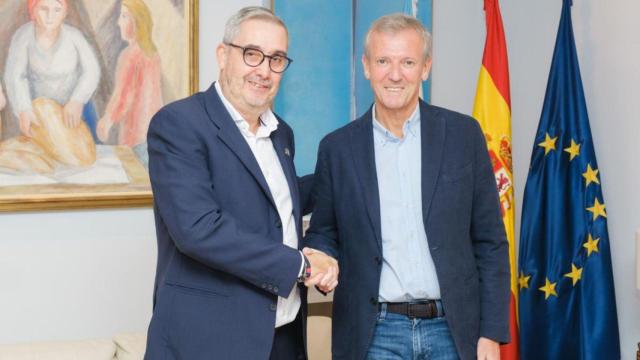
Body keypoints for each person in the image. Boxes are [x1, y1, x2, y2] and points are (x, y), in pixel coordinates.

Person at [304, 13, 510, 360]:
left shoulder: (463, 136)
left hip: (454, 331)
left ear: (425, 68)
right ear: (366, 66)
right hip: (374, 334)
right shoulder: (337, 148)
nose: (395, 74)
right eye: (383, 61)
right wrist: (320, 256)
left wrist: (490, 332)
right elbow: (324, 231)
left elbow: (490, 241)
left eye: (408, 62)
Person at [144, 6, 338, 360]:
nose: (264, 70)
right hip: (208, 342)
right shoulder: (179, 124)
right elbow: (198, 229)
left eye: (276, 59)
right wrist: (300, 266)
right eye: (252, 54)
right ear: (223, 55)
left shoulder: (282, 134)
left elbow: (277, 204)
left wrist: (349, 172)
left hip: (284, 337)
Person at [4, 0, 101, 140]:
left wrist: (77, 100)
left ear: (64, 13)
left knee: (88, 155)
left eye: (57, 10)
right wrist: (23, 108)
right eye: (44, 9)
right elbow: (15, 76)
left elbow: (92, 70)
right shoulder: (22, 36)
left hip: (75, 110)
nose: (50, 16)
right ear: (33, 11)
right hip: (41, 113)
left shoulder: (74, 36)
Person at [97, 0, 162, 150]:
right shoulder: (153, 54)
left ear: (137, 21)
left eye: (124, 16)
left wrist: (107, 121)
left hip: (135, 135)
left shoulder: (129, 56)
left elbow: (123, 96)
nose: (119, 22)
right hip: (155, 132)